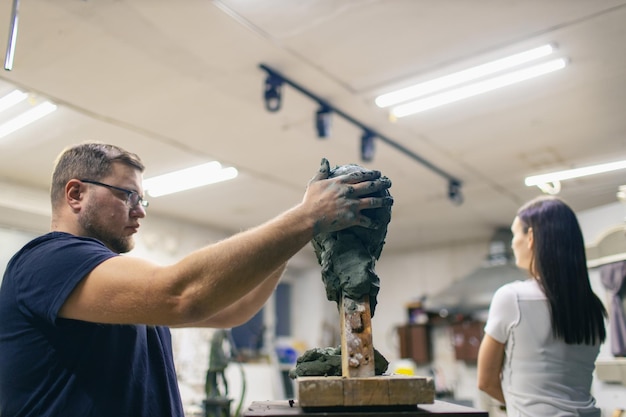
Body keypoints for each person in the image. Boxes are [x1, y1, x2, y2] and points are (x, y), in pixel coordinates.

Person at [0, 142, 393, 417]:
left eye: (143, 200)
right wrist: (305, 218)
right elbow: (182, 294)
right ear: (75, 194)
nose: (140, 212)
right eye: (128, 196)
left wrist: (301, 234)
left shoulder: (108, 287)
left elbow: (231, 310)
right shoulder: (47, 262)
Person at [477, 195, 607, 416]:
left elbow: (486, 381)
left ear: (531, 237)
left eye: (515, 233)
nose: (512, 242)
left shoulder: (512, 298)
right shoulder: (593, 306)